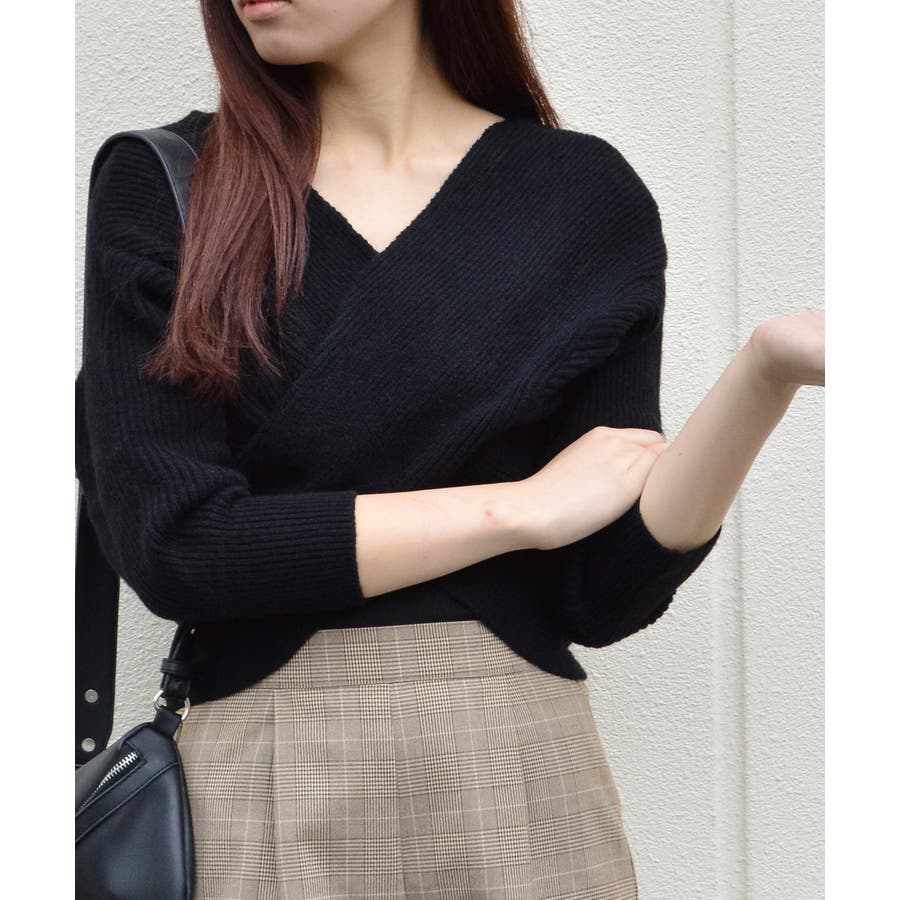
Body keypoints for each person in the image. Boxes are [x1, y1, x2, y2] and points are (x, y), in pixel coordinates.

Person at [76, 1, 825, 897]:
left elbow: (601, 591)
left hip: (521, 763)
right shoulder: (172, 182)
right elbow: (176, 545)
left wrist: (764, 374)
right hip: (261, 763)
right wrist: (513, 510)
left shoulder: (580, 196)